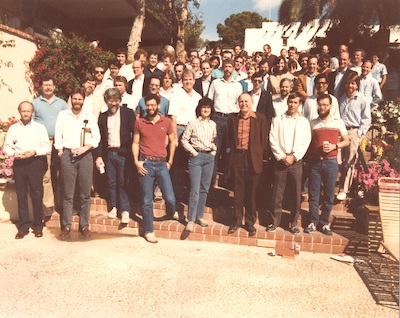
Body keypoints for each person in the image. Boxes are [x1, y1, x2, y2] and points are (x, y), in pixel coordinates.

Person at [55, 87, 101, 238]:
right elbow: (58, 134)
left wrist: (86, 147)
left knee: (85, 193)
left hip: (85, 156)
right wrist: (61, 151)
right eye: (74, 98)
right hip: (68, 155)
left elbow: (97, 137)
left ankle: (84, 225)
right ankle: (66, 225)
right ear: (71, 99)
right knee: (68, 193)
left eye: (80, 99)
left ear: (83, 100)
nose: (77, 101)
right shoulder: (63, 115)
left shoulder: (89, 116)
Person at [132, 94, 177, 243]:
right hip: (146, 164)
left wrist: (170, 161)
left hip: (162, 164)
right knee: (147, 200)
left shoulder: (167, 121)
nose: (150, 108)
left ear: (158, 105)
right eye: (147, 105)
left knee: (170, 197)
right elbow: (135, 143)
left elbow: (172, 141)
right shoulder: (140, 122)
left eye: (153, 105)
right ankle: (149, 230)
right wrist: (136, 162)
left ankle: (171, 212)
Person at [4, 101, 51, 239]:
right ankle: (23, 227)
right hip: (19, 164)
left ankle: (38, 226)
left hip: (35, 163)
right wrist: (13, 154)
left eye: (28, 111)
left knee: (37, 195)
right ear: (20, 112)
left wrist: (35, 151)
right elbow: (7, 146)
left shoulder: (40, 128)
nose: (26, 113)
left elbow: (47, 147)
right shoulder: (13, 129)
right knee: (21, 195)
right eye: (23, 111)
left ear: (32, 112)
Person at [305, 94, 350, 235]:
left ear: (330, 106)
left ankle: (324, 223)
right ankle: (313, 221)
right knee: (314, 194)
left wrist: (334, 146)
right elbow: (309, 142)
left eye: (325, 105)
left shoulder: (338, 122)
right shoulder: (312, 123)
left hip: (331, 162)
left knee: (329, 195)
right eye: (320, 105)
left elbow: (346, 141)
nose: (322, 107)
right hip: (315, 163)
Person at [267, 92, 311, 234]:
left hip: (296, 161)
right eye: (290, 102)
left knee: (296, 193)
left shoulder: (304, 122)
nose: (292, 105)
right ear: (287, 103)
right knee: (277, 193)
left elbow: (305, 142)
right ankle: (275, 222)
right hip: (280, 160)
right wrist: (281, 156)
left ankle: (293, 223)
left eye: (295, 102)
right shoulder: (277, 120)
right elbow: (272, 139)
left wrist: (294, 157)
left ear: (299, 104)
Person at [227, 93, 268, 236]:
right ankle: (236, 221)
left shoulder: (260, 118)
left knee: (251, 193)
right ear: (238, 103)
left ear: (251, 103)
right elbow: (230, 140)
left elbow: (264, 140)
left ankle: (250, 223)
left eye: (246, 101)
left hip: (253, 159)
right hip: (238, 157)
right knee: (238, 192)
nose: (244, 104)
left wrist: (258, 156)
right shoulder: (232, 119)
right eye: (241, 101)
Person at [94, 88, 135, 223]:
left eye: (116, 100)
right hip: (109, 154)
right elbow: (99, 138)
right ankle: (114, 207)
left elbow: (134, 134)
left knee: (123, 182)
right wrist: (99, 156)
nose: (113, 103)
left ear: (120, 100)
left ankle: (125, 210)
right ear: (106, 101)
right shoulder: (103, 116)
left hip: (123, 153)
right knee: (111, 182)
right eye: (111, 100)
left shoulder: (128, 113)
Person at [32, 74, 68, 219]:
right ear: (41, 87)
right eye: (45, 85)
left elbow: (68, 121)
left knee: (62, 173)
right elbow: (32, 125)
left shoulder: (62, 103)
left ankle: (63, 204)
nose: (48, 87)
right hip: (44, 142)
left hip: (60, 142)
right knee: (45, 175)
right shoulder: (35, 103)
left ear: (54, 87)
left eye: (50, 85)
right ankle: (48, 205)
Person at [181, 97, 217, 232]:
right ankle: (190, 219)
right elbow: (184, 140)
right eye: (204, 107)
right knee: (195, 189)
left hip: (209, 158)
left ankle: (199, 216)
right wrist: (193, 152)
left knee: (204, 188)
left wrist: (213, 151)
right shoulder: (193, 123)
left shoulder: (213, 124)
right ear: (199, 109)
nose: (206, 110)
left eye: (208, 107)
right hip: (196, 158)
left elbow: (214, 139)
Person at [207, 58, 243, 185]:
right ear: (222, 68)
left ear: (233, 69)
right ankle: (211, 181)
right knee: (214, 151)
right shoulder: (215, 83)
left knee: (229, 151)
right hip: (217, 118)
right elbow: (209, 101)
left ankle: (226, 181)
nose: (227, 69)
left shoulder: (238, 85)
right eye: (226, 66)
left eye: (230, 67)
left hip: (231, 119)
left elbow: (239, 104)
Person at [168, 69, 202, 200]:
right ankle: (176, 193)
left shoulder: (198, 97)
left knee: (192, 163)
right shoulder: (176, 95)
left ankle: (188, 194)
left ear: (194, 80)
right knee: (178, 164)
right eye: (185, 79)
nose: (188, 82)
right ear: (181, 81)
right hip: (180, 129)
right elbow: (173, 118)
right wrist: (175, 138)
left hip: (193, 133)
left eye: (190, 79)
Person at [336, 73, 371, 201]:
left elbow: (366, 119)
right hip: (341, 132)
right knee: (337, 160)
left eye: (353, 83)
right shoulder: (341, 99)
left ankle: (343, 189)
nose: (350, 86)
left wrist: (359, 134)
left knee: (349, 162)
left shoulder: (362, 100)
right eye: (349, 83)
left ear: (357, 85)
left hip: (353, 132)